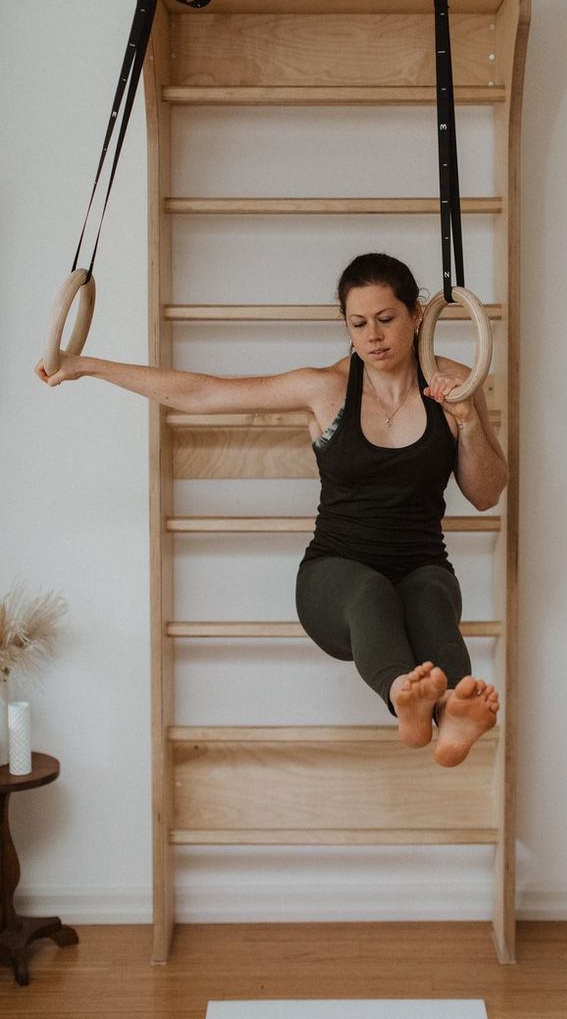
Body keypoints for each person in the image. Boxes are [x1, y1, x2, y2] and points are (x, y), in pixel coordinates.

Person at [36, 252, 509, 766]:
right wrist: (84, 364)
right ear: (345, 325)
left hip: (421, 563)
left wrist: (466, 418)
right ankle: (404, 698)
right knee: (371, 593)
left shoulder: (456, 383)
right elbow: (202, 393)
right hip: (335, 579)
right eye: (358, 323)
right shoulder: (326, 389)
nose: (372, 335)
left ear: (418, 315)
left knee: (430, 595)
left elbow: (486, 492)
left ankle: (448, 709)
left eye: (386, 318)